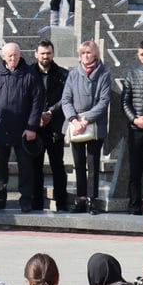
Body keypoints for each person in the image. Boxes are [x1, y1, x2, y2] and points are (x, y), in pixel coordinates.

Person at [0, 42, 44, 213]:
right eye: (9, 56)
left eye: (15, 55)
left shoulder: (30, 74)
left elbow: (37, 102)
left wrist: (32, 127)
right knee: (0, 166)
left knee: (26, 167)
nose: (13, 58)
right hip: (0, 127)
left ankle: (26, 199)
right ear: (3, 57)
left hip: (23, 130)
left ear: (20, 55)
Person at [61, 40, 111, 214]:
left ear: (95, 54)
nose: (86, 56)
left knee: (93, 163)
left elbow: (104, 101)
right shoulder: (73, 74)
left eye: (89, 52)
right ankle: (81, 198)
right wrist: (74, 120)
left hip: (95, 125)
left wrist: (86, 120)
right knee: (79, 163)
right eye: (83, 53)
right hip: (76, 125)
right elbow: (66, 99)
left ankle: (92, 199)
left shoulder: (104, 74)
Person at [31, 40, 67, 212]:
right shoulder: (28, 73)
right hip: (34, 127)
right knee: (35, 167)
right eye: (42, 53)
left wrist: (50, 112)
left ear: (53, 54)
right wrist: (38, 115)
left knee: (57, 166)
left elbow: (66, 97)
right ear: (36, 54)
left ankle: (62, 203)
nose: (45, 56)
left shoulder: (63, 74)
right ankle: (36, 204)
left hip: (55, 127)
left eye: (48, 53)